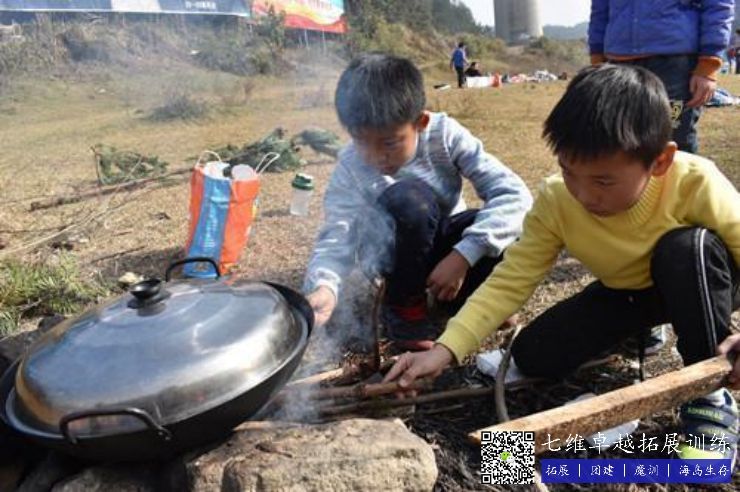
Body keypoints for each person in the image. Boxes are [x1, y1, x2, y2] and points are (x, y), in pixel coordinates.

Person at [385, 64, 740, 464]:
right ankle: (642, 330)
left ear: (659, 161)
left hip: (705, 280)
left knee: (685, 249)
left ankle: (709, 395)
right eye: (570, 172)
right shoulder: (557, 199)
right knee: (533, 355)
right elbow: (511, 280)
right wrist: (445, 350)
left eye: (603, 181)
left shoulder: (695, 181)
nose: (584, 196)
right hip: (630, 293)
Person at [304, 53, 532, 351]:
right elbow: (338, 231)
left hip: (444, 248)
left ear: (420, 122)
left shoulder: (444, 135)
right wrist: (325, 286)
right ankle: (405, 307)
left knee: (506, 228)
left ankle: (459, 298)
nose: (374, 156)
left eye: (389, 142)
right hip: (392, 252)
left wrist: (463, 256)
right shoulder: (350, 164)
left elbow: (514, 194)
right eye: (361, 141)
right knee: (409, 200)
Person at [589, 0, 735, 154]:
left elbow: (718, 5)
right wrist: (597, 59)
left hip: (674, 64)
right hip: (619, 61)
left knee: (674, 138)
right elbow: (600, 10)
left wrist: (708, 64)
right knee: (622, 140)